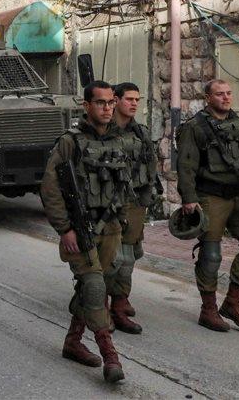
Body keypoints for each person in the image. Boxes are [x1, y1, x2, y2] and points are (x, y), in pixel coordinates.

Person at [39, 80, 131, 384]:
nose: (107, 108)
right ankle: (111, 356)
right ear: (87, 105)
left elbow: (122, 186)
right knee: (93, 287)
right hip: (80, 229)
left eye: (110, 102)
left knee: (97, 283)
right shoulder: (70, 142)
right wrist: (65, 228)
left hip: (111, 228)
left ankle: (73, 342)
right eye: (100, 103)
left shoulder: (118, 140)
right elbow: (50, 189)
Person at [177, 79, 239, 332]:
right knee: (211, 254)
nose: (226, 98)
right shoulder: (195, 127)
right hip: (211, 196)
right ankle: (208, 309)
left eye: (228, 94)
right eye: (219, 94)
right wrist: (189, 199)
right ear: (208, 98)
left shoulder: (238, 122)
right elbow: (185, 166)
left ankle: (233, 302)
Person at [106, 82, 159, 334]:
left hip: (135, 201)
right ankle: (99, 303)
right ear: (115, 100)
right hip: (108, 202)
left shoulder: (141, 133)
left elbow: (151, 165)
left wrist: (148, 194)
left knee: (128, 258)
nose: (134, 103)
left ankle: (119, 302)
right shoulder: (102, 130)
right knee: (110, 258)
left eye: (137, 99)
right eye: (129, 99)